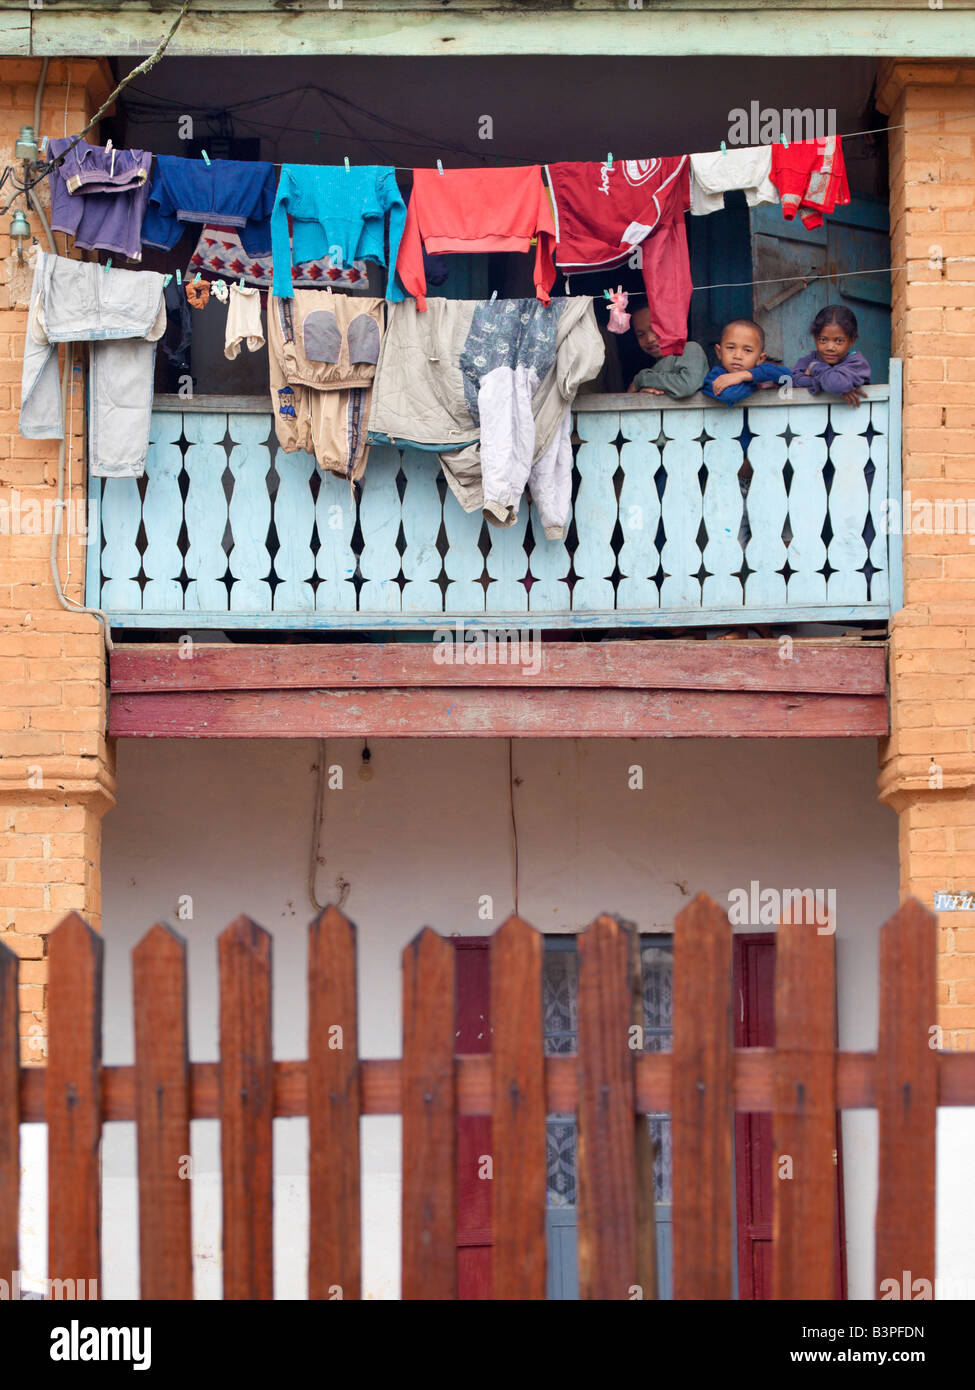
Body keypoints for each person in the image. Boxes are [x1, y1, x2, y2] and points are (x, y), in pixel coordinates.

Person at [792, 305, 871, 406]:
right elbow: (794, 381)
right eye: (823, 340)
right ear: (815, 339)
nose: (830, 347)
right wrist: (827, 383)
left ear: (852, 341)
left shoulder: (857, 363)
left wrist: (815, 367)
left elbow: (836, 385)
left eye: (839, 341)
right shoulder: (810, 359)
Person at [626, 305, 708, 398]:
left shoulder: (690, 349)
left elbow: (686, 386)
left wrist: (641, 380)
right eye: (641, 335)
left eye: (655, 329)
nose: (650, 339)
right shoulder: (654, 367)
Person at [701, 319, 785, 405]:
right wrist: (756, 384)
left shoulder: (758, 372)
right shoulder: (715, 377)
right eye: (731, 348)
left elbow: (787, 376)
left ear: (760, 359)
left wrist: (746, 375)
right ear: (719, 352)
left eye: (747, 350)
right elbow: (731, 395)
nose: (737, 356)